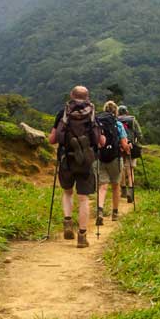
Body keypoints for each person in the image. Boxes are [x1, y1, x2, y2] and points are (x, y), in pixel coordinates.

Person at [48, 85, 104, 249]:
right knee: (83, 198)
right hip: (85, 162)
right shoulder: (93, 114)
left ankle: (67, 221)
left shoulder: (63, 113)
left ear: (71, 96)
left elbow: (52, 139)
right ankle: (82, 235)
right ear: (87, 97)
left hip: (66, 158)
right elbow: (100, 141)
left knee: (67, 192)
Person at [95, 100, 131, 224]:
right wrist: (128, 147)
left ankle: (100, 210)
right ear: (115, 111)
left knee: (102, 186)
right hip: (115, 158)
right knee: (115, 186)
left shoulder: (98, 123)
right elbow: (124, 145)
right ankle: (115, 213)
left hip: (100, 157)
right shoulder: (118, 125)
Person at [118, 105, 143, 203]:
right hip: (131, 146)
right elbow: (139, 134)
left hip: (120, 148)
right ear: (127, 112)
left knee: (122, 168)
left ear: (118, 112)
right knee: (130, 169)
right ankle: (131, 192)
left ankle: (123, 191)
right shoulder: (133, 120)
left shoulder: (116, 120)